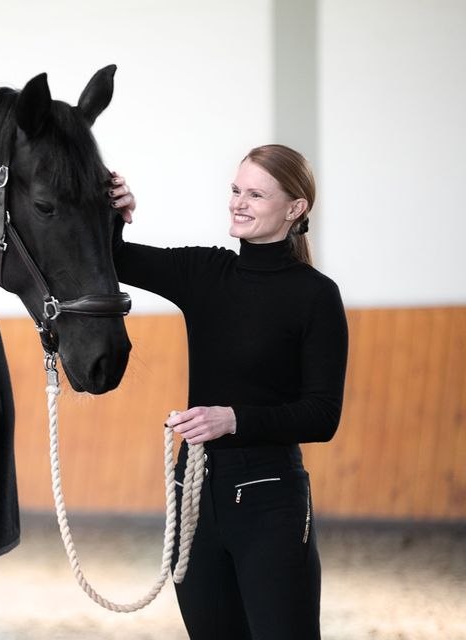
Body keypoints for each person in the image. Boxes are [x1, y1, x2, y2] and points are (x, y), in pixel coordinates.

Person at [107, 144, 348, 639]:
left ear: (295, 208)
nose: (238, 202)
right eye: (236, 190)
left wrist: (234, 419)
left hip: (270, 501)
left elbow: (322, 415)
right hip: (194, 495)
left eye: (256, 194)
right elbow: (112, 258)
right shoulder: (206, 273)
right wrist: (114, 213)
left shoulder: (316, 296)